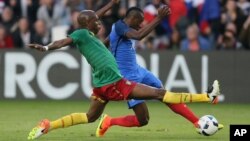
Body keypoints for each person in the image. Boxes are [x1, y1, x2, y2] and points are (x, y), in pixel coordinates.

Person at [27, 1, 221, 140]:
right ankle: (206, 96)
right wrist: (46, 48)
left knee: (90, 117)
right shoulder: (91, 32)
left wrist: (112, 4)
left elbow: (95, 17)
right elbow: (65, 41)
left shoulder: (90, 35)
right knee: (157, 100)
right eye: (96, 22)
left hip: (110, 81)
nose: (99, 22)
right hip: (118, 82)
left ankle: (48, 125)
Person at [95, 7, 223, 137]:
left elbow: (106, 43)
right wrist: (159, 18)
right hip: (128, 80)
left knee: (166, 96)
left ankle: (197, 122)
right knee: (143, 120)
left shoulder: (118, 29)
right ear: (132, 18)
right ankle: (109, 121)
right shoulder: (119, 27)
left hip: (139, 70)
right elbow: (139, 36)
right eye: (139, 22)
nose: (140, 25)